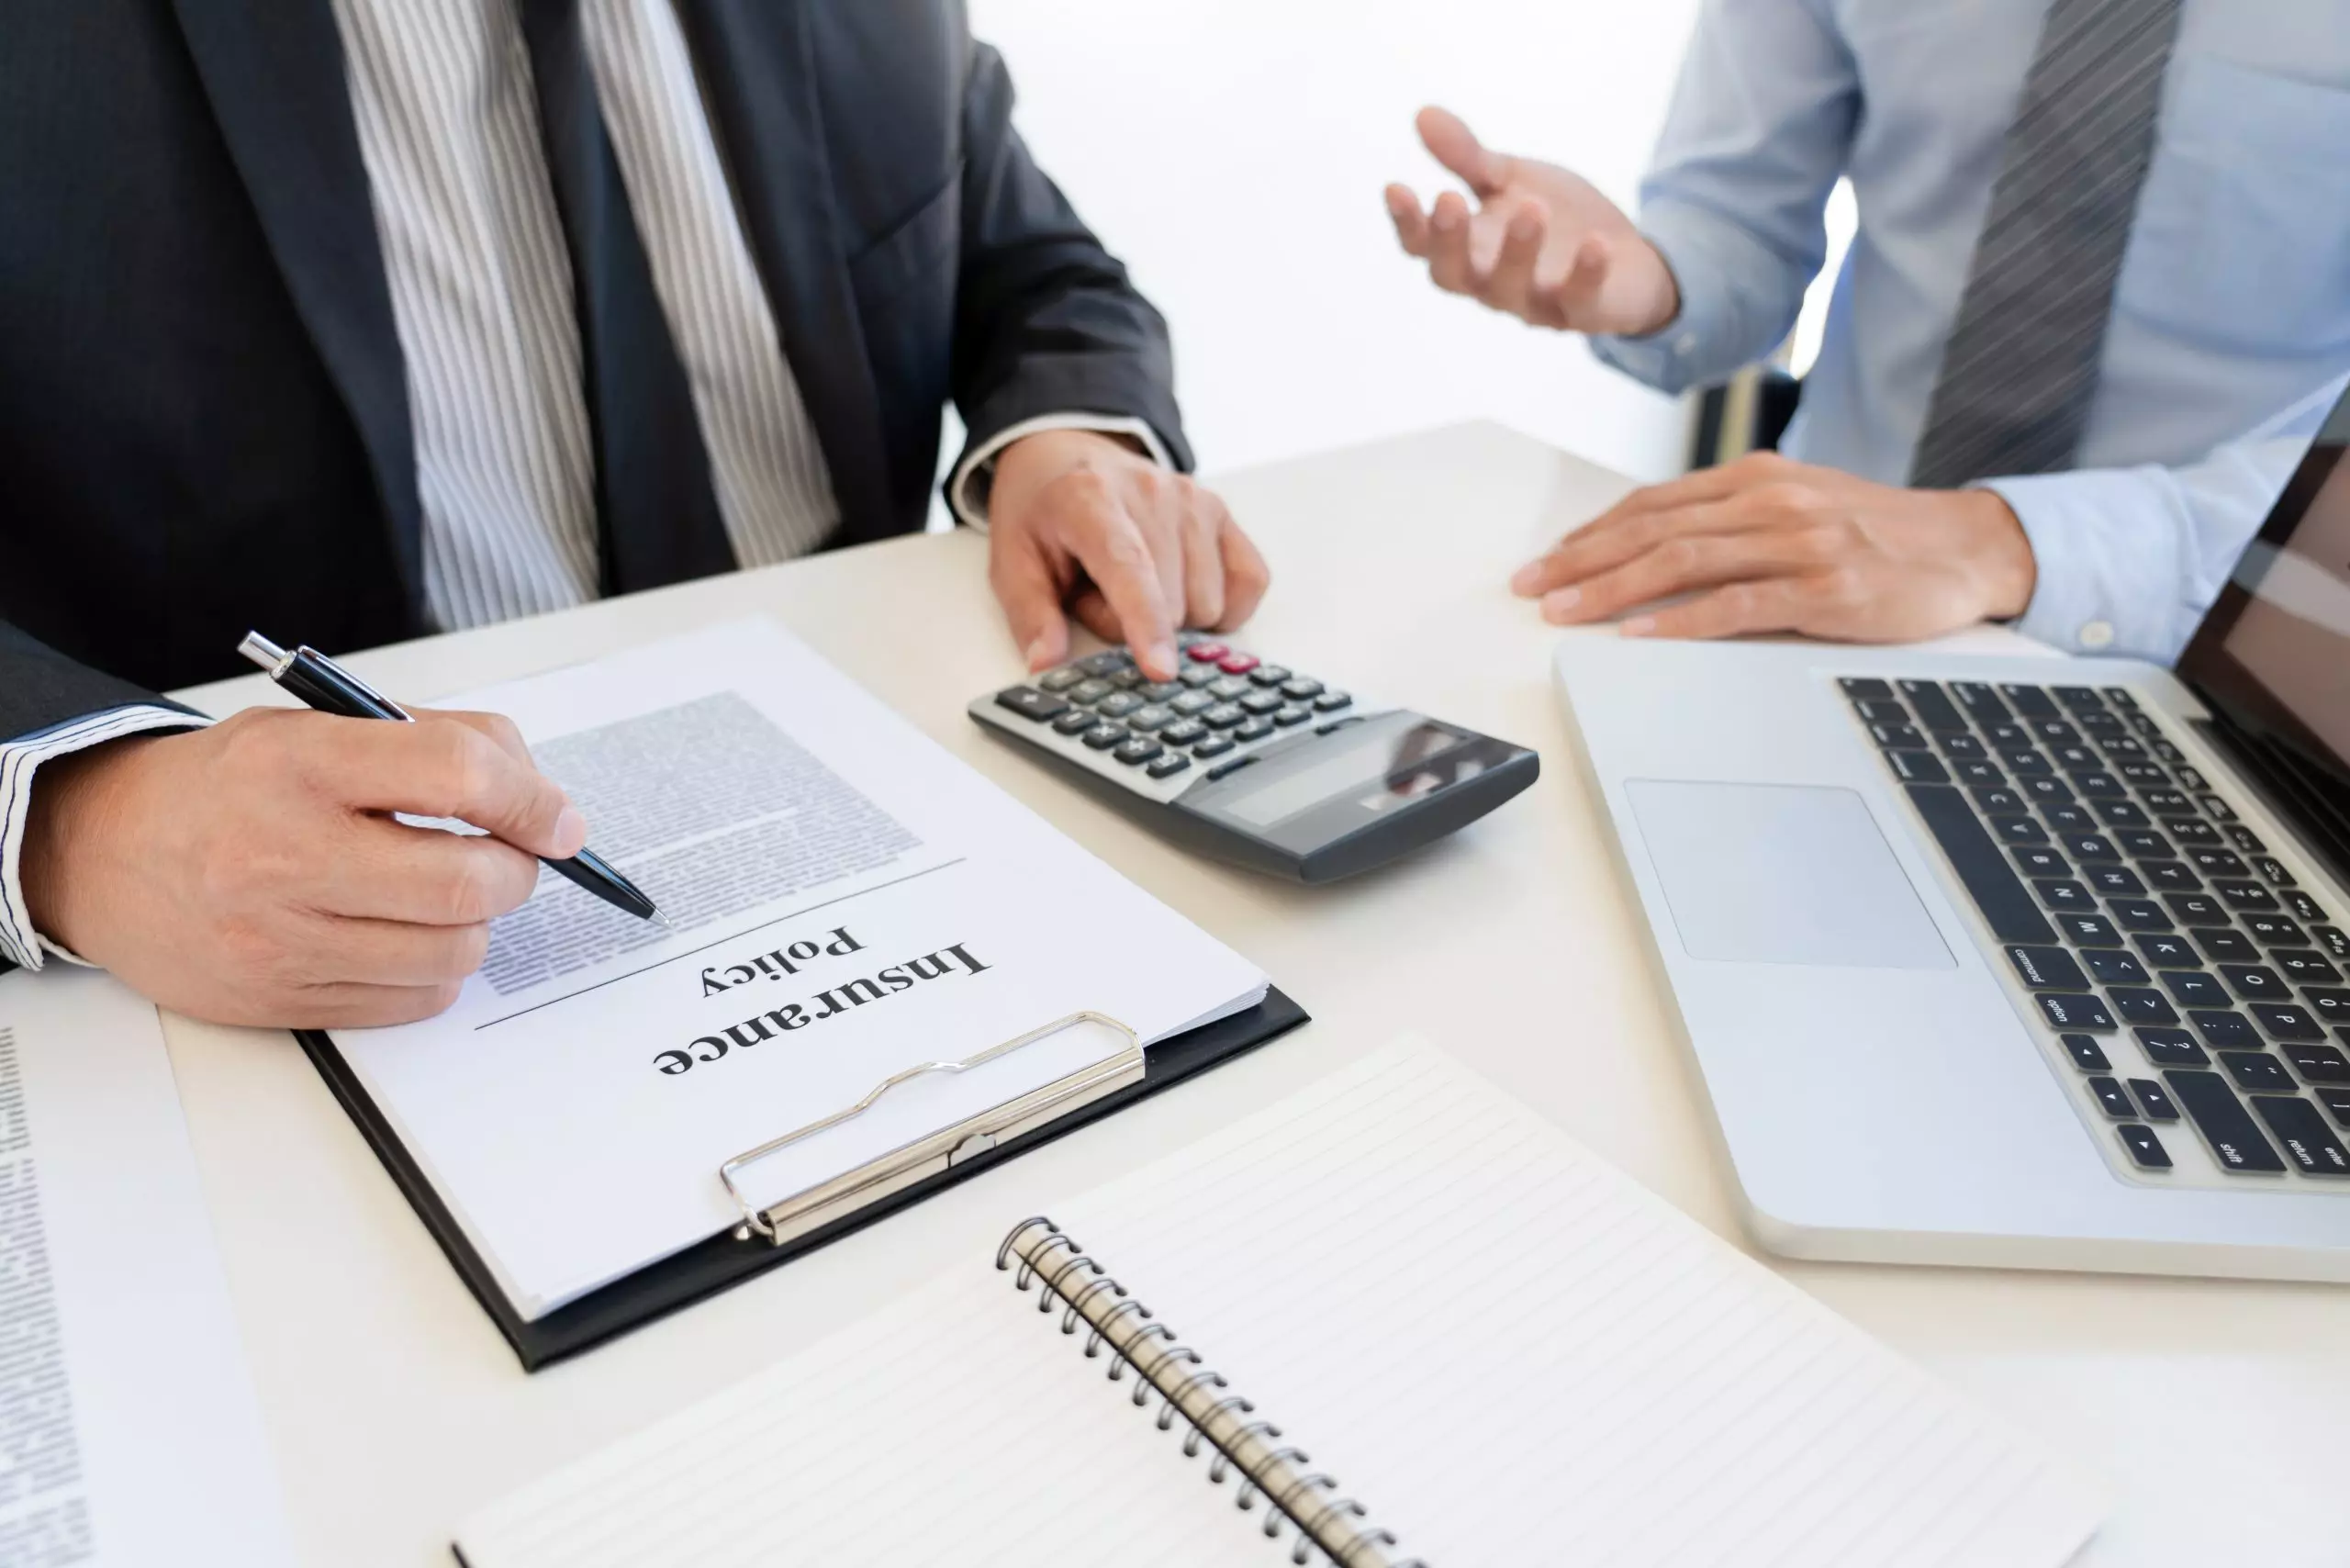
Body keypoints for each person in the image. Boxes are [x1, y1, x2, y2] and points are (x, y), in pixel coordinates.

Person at [0, 0, 1267, 1025]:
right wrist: (77, 824)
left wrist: (1065, 436)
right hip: (318, 946)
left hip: (913, 777)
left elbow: (1028, 259)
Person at [1384, 0, 2350, 653]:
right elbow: (1737, 225)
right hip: (1814, 589)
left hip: (2217, 650)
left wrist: (2009, 542)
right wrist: (1652, 279)